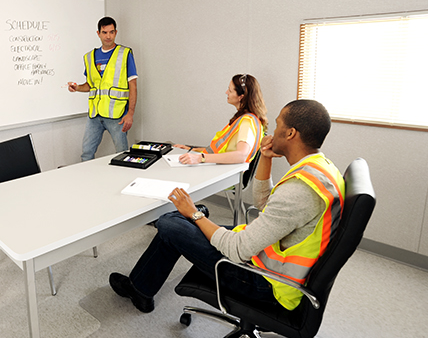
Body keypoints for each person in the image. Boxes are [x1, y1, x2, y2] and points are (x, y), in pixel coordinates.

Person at [109, 99, 345, 313]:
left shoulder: (300, 190)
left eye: (278, 124)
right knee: (179, 223)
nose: (272, 131)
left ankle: (143, 283)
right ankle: (140, 289)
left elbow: (236, 249)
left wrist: (193, 215)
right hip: (268, 255)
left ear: (291, 133)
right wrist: (265, 156)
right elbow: (266, 206)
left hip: (266, 281)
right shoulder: (320, 169)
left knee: (168, 222)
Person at [68, 17, 138, 161]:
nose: (108, 36)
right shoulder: (89, 57)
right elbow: (90, 85)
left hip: (117, 115)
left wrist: (130, 113)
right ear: (98, 33)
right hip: (94, 116)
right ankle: (87, 182)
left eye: (111, 32)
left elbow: (133, 85)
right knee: (86, 153)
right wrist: (77, 88)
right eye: (104, 32)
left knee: (123, 155)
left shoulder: (125, 54)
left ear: (116, 32)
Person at [175, 74, 268, 165]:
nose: (226, 92)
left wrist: (200, 158)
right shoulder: (246, 119)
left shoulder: (247, 122)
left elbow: (241, 155)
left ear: (241, 97)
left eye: (230, 91)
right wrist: (190, 150)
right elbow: (219, 151)